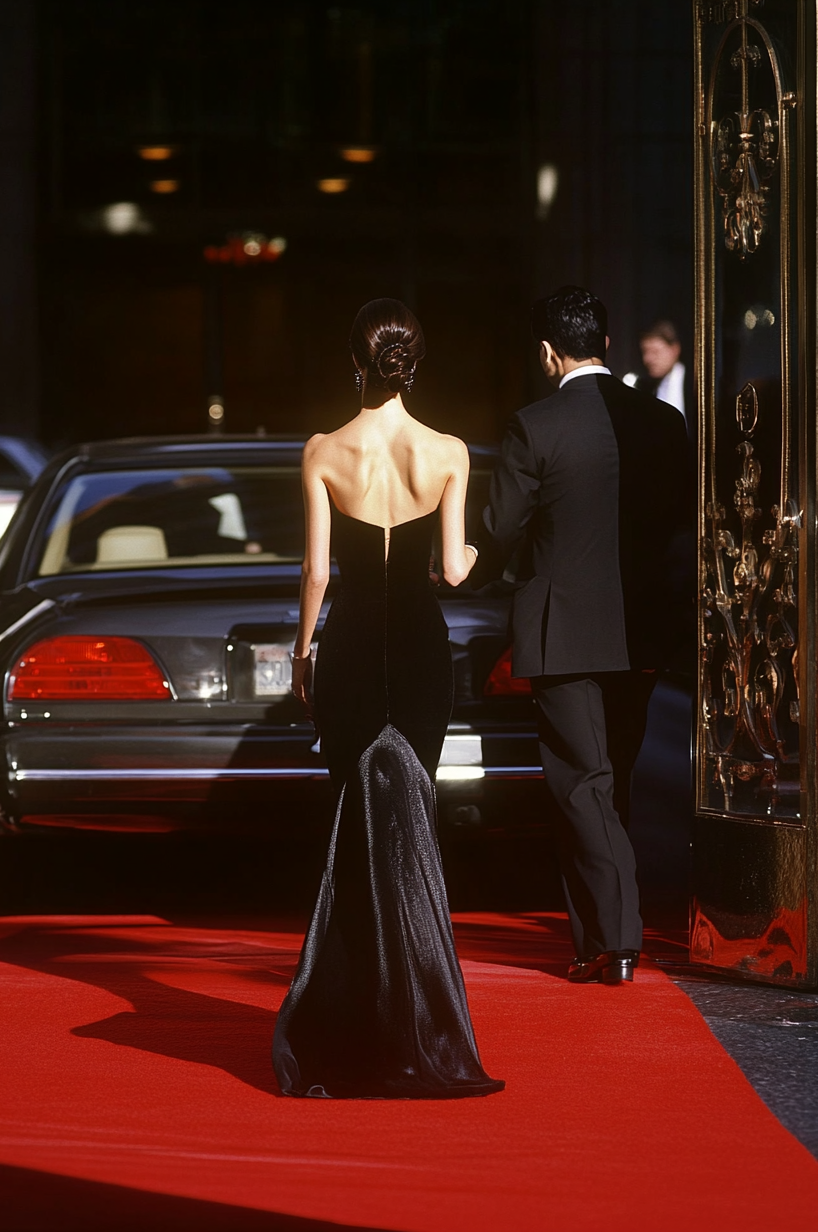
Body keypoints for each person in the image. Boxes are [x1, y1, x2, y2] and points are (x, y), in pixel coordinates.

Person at [272, 298, 504, 1099]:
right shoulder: (447, 452)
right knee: (410, 824)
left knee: (353, 824)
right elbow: (453, 570)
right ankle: (423, 1021)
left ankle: (353, 1020)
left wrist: (302, 655)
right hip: (417, 649)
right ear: (414, 366)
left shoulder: (322, 451)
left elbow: (317, 574)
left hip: (347, 647)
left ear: (355, 365)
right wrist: (474, 544)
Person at [472, 286, 692, 986]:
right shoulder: (662, 422)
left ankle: (617, 938)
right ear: (605, 342)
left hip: (563, 628)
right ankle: (595, 940)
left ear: (547, 352)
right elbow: (681, 522)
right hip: (640, 628)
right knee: (609, 783)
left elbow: (499, 531)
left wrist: (462, 569)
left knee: (580, 786)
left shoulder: (535, 426)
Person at [630, 319, 694, 437]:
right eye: (645, 352)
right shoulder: (645, 387)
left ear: (675, 349)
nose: (647, 359)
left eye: (655, 351)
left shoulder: (695, 383)